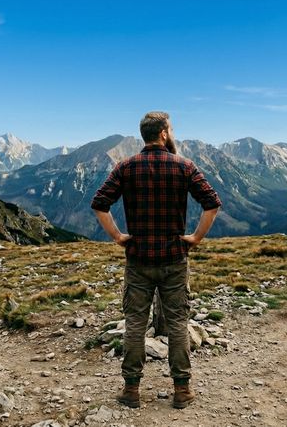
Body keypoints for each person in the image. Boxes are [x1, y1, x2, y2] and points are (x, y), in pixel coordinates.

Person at [90, 111, 221, 409]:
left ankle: (131, 390)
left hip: (138, 260)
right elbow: (212, 204)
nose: (172, 133)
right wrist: (195, 238)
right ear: (163, 133)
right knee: (177, 323)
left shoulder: (126, 167)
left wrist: (118, 236)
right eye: (170, 129)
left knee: (135, 324)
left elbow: (99, 204)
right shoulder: (185, 166)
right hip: (174, 259)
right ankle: (182, 390)